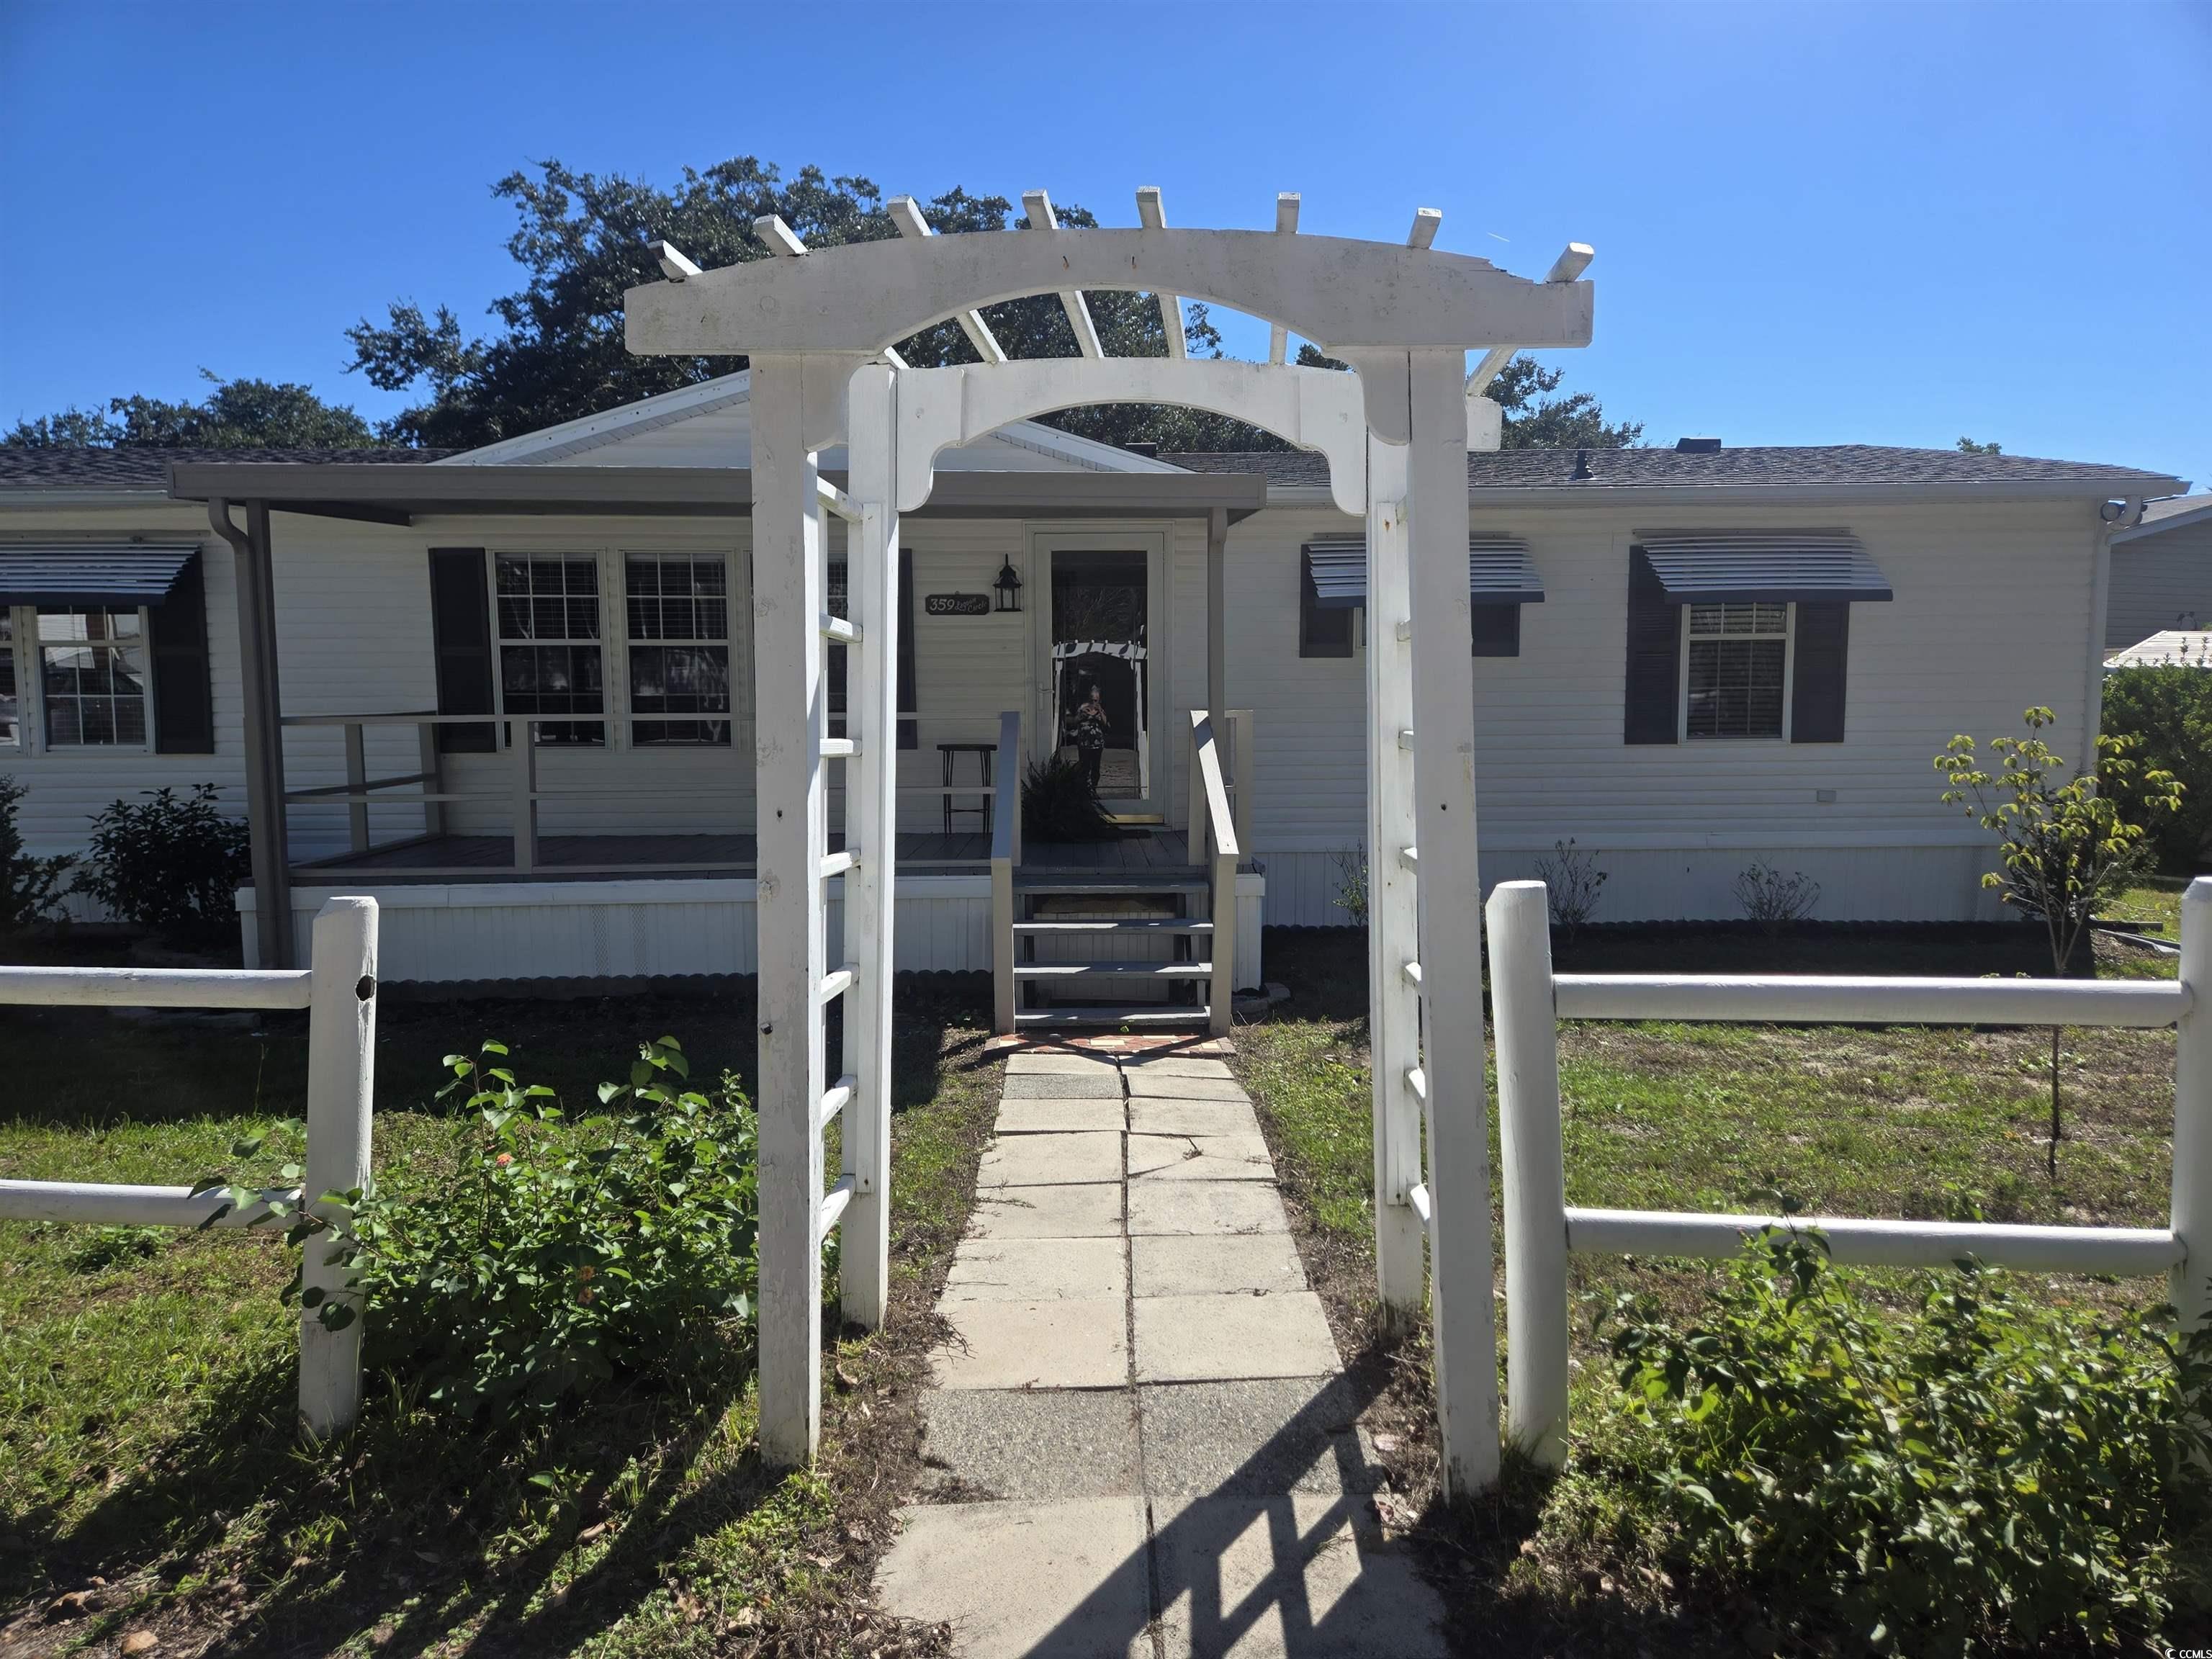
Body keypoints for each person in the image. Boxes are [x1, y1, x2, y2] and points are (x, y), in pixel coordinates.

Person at [1068, 683, 1110, 794]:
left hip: (1097, 743)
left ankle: (1093, 789)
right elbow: (1074, 721)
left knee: (1096, 768)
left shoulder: (1101, 709)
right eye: (1092, 699)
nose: (1094, 702)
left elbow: (1105, 724)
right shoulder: (1083, 707)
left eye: (1096, 700)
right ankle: (1084, 790)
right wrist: (1084, 715)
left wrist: (1099, 712)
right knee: (1084, 767)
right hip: (1084, 742)